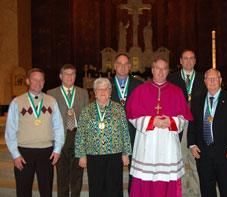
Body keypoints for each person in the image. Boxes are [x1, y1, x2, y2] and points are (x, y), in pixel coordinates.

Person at [126, 58, 193, 197]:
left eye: (164, 69)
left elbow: (184, 118)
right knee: (146, 178)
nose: (161, 72)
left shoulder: (177, 91)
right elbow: (132, 116)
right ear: (152, 70)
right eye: (158, 68)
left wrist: (171, 121)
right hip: (146, 142)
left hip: (168, 142)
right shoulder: (140, 90)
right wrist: (151, 121)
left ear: (168, 71)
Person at [5, 68, 64, 197]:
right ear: (27, 81)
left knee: (46, 190)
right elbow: (10, 130)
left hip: (46, 151)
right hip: (24, 152)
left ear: (44, 82)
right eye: (34, 79)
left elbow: (58, 127)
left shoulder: (51, 101)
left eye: (41, 80)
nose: (38, 83)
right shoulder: (17, 102)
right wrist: (15, 154)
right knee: (23, 190)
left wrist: (57, 149)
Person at [187, 68, 227, 197]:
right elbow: (193, 124)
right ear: (205, 81)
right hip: (203, 153)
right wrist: (192, 144)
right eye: (209, 79)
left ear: (220, 80)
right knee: (206, 190)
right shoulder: (197, 100)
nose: (212, 81)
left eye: (215, 78)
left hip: (225, 153)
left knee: (226, 190)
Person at [75, 78, 132, 197]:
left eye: (105, 89)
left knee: (114, 188)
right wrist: (81, 155)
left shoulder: (118, 109)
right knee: (96, 188)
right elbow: (80, 134)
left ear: (110, 92)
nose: (102, 92)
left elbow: (125, 132)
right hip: (93, 154)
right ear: (94, 92)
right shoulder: (87, 110)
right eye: (99, 89)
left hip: (115, 154)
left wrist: (126, 153)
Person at [167, 49, 206, 196]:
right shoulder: (172, 79)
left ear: (195, 61)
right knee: (181, 160)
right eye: (186, 58)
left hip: (198, 126)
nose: (189, 61)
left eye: (191, 58)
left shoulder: (204, 79)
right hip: (180, 126)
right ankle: (181, 192)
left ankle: (197, 193)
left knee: (197, 160)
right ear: (180, 61)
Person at [47, 64, 89, 197]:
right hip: (61, 136)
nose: (69, 77)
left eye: (72, 74)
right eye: (66, 74)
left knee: (77, 173)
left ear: (75, 76)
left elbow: (87, 117)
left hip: (78, 135)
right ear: (60, 76)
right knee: (62, 173)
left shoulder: (83, 93)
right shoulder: (51, 94)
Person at [110, 53, 143, 194]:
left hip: (134, 135)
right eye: (119, 63)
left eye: (125, 64)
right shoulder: (106, 85)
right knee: (114, 173)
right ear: (114, 66)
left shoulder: (139, 85)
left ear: (130, 66)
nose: (122, 67)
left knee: (134, 172)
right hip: (113, 137)